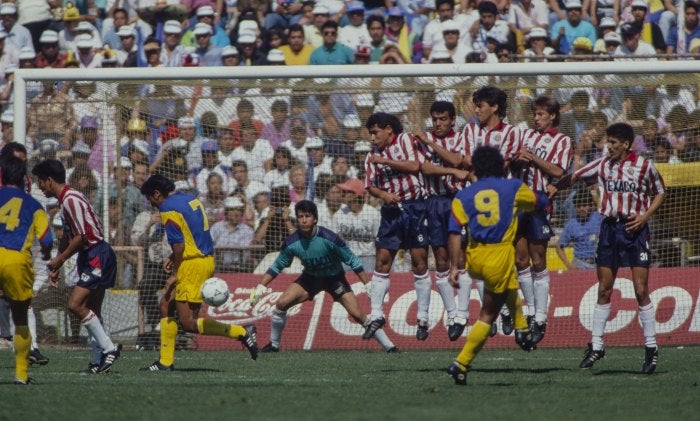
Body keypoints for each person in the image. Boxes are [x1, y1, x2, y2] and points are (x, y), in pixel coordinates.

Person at [552, 122, 666, 374]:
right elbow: (574, 177)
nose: (608, 146)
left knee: (640, 289)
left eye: (613, 142)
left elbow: (660, 192)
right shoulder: (603, 165)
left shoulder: (644, 166)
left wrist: (645, 216)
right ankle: (597, 345)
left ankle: (651, 346)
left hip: (635, 230)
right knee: (604, 288)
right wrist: (551, 189)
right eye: (607, 141)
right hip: (609, 230)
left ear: (626, 144)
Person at [446, 145, 544, 386]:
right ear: (501, 165)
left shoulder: (463, 195)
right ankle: (461, 363)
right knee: (488, 314)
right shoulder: (511, 186)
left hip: (475, 257)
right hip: (498, 254)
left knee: (509, 283)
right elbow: (537, 202)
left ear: (476, 168)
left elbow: (453, 231)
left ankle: (521, 328)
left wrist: (454, 267)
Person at [138, 174, 259, 371]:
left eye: (150, 198)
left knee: (189, 323)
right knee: (166, 306)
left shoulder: (168, 208)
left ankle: (242, 332)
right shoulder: (189, 198)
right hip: (203, 259)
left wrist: (174, 274)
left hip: (192, 265)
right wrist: (173, 258)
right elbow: (192, 233)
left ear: (157, 194)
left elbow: (178, 245)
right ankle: (165, 362)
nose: (151, 203)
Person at [249, 200, 397, 353]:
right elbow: (276, 266)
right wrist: (261, 286)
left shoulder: (330, 238)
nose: (304, 220)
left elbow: (352, 260)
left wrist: (367, 284)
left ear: (315, 219)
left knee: (358, 314)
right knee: (281, 304)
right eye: (300, 217)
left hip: (335, 279)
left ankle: (390, 347)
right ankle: (274, 345)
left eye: (307, 216)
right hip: (310, 278)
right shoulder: (291, 243)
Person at [32, 159, 121, 375]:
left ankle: (110, 349)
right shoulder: (66, 200)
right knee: (92, 310)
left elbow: (81, 237)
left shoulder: (71, 199)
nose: (40, 187)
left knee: (75, 304)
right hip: (91, 255)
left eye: (40, 182)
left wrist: (60, 260)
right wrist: (55, 265)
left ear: (50, 180)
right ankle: (97, 362)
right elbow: (69, 235)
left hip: (96, 254)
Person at [361, 112, 430, 341]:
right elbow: (370, 186)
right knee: (382, 260)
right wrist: (384, 195)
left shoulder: (405, 140)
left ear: (389, 129)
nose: (372, 138)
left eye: (375, 132)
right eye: (370, 133)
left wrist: (386, 162)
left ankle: (422, 317)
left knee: (419, 261)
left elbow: (414, 166)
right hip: (391, 211)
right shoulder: (371, 156)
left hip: (415, 207)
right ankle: (377, 314)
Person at [460, 86, 522, 336]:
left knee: (506, 259)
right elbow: (464, 158)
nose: (476, 110)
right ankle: (491, 315)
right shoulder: (469, 130)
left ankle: (507, 311)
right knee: (475, 259)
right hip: (475, 202)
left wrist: (482, 170)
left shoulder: (511, 133)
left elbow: (504, 162)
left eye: (480, 105)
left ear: (494, 107)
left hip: (501, 203)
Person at [513, 95, 572, 344]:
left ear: (553, 116)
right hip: (519, 198)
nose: (536, 118)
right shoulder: (526, 136)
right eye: (534, 114)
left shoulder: (562, 141)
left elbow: (559, 171)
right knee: (520, 258)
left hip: (539, 200)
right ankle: (529, 311)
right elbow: (514, 164)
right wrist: (518, 160)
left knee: (538, 258)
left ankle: (540, 316)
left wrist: (533, 158)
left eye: (541, 115)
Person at [413, 101, 472, 341]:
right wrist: (451, 172)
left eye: (443, 119)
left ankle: (463, 314)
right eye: (435, 119)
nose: (438, 123)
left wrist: (431, 144)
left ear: (452, 119)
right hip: (434, 202)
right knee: (440, 258)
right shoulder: (421, 139)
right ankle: (452, 316)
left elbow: (458, 161)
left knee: (461, 257)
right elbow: (425, 169)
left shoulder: (461, 137)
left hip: (457, 200)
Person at [0, 155, 53, 384]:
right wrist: (47, 254)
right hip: (16, 260)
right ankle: (21, 374)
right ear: (24, 179)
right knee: (20, 316)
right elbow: (47, 239)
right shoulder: (34, 205)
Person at [556, 189, 602, 270]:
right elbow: (559, 247)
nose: (581, 208)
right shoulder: (571, 224)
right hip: (580, 265)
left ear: (590, 205)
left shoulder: (599, 218)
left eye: (584, 205)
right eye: (578, 206)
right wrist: (569, 266)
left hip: (599, 264)